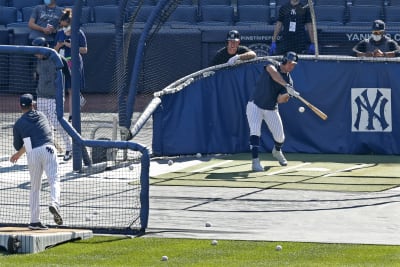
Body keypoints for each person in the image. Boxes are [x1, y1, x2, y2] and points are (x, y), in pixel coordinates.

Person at [10, 93, 63, 230]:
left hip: (32, 153)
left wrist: (18, 153)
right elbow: (46, 133)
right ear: (33, 104)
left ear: (20, 106)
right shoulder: (41, 115)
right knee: (54, 180)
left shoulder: (18, 124)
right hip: (48, 149)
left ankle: (34, 221)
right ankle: (54, 203)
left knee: (34, 188)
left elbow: (24, 144)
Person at [246, 51, 300, 171]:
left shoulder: (289, 82)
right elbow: (274, 74)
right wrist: (286, 86)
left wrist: (287, 94)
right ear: (284, 61)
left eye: (294, 64)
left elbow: (280, 100)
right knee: (255, 131)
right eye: (290, 63)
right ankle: (255, 162)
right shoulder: (272, 64)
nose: (292, 66)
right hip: (255, 104)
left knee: (280, 137)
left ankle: (277, 151)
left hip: (271, 108)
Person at [32, 36, 73, 161]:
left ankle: (70, 148)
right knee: (45, 125)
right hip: (41, 97)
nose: (35, 53)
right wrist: (35, 97)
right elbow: (36, 77)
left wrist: (70, 92)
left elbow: (69, 76)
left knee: (57, 122)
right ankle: (50, 149)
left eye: (37, 50)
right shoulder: (37, 61)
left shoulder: (58, 58)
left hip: (55, 97)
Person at [54, 8, 88, 122]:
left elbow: (84, 50)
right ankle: (66, 112)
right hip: (62, 62)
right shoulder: (59, 33)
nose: (62, 26)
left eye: (64, 24)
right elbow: (54, 50)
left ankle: (72, 115)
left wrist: (71, 46)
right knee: (66, 89)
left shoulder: (78, 32)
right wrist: (59, 46)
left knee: (72, 89)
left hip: (74, 62)